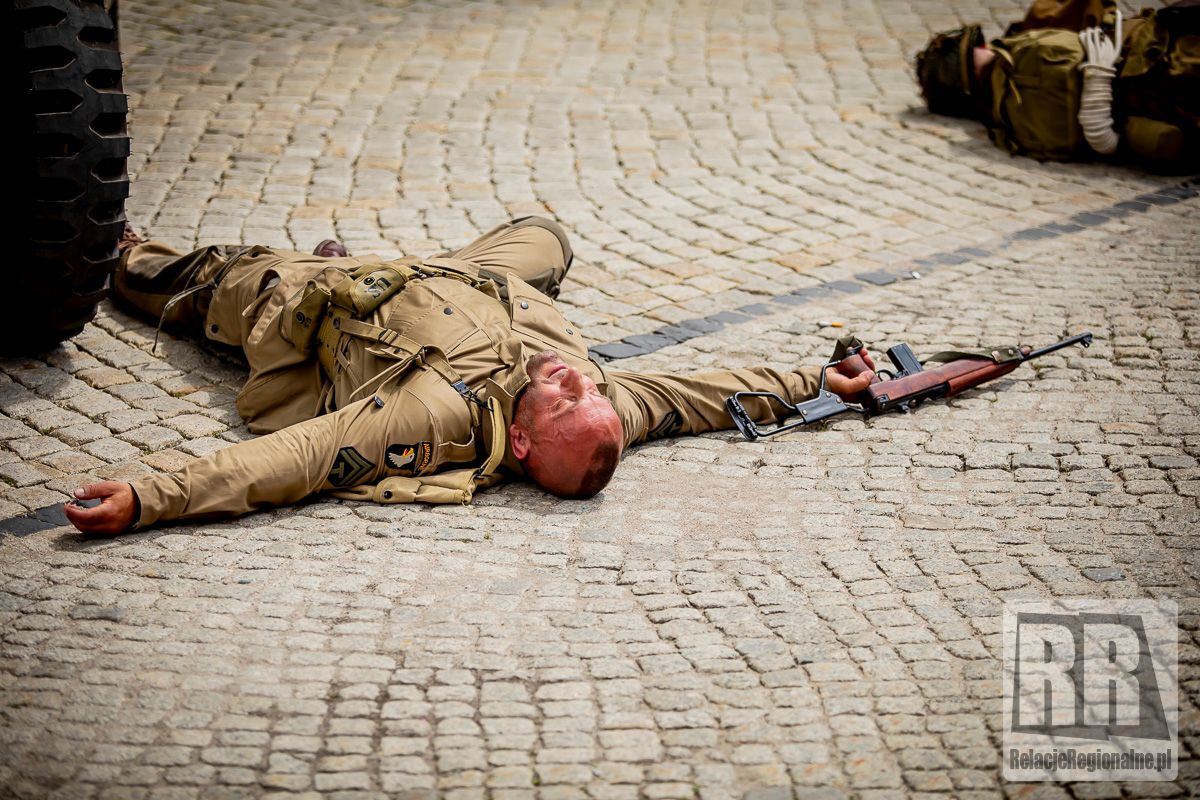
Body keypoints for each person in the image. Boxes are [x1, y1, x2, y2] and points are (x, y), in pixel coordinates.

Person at [65, 218, 878, 535]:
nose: (580, 379)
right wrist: (816, 380)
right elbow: (701, 397)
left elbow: (297, 460)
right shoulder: (601, 407)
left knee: (195, 280)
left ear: (520, 442)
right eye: (592, 391)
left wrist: (149, 497)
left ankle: (127, 254)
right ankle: (374, 260)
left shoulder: (432, 416)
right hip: (466, 278)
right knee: (547, 237)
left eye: (566, 398)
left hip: (320, 305)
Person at [914, 0, 1199, 169]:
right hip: (1154, 56)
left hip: (1152, 98)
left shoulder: (1008, 127)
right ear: (977, 49)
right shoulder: (1026, 50)